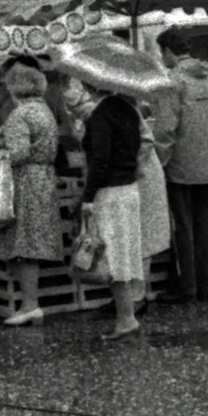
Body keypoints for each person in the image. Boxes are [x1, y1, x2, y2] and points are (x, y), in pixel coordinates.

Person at [152, 30, 208, 304]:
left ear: (168, 51)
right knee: (205, 227)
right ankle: (207, 286)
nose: (161, 58)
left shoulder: (172, 81)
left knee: (183, 228)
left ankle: (186, 287)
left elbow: (166, 129)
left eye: (161, 53)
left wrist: (159, 161)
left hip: (180, 166)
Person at [0, 63, 63, 326]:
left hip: (25, 181)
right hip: (44, 179)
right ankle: (31, 304)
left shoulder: (20, 115)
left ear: (15, 88)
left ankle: (30, 305)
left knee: (24, 244)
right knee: (34, 240)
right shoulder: (44, 111)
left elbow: (18, 153)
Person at [73, 76, 147, 341]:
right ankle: (127, 316)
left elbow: (101, 159)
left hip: (110, 193)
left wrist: (88, 196)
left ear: (89, 85)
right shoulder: (129, 109)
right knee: (124, 253)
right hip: (129, 190)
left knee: (112, 256)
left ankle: (126, 319)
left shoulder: (101, 114)